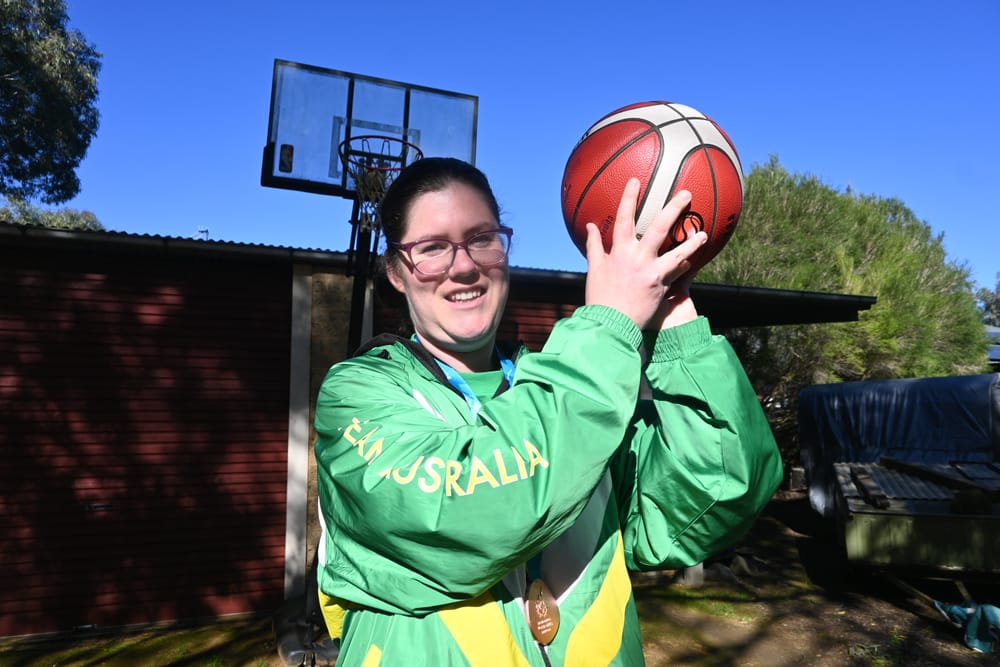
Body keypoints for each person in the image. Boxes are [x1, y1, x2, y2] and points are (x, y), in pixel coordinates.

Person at [313, 157, 783, 665]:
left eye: (482, 238)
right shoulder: (358, 393)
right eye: (431, 249)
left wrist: (673, 312)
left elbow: (720, 489)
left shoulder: (572, 388)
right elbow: (458, 513)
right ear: (397, 274)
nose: (465, 265)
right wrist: (609, 325)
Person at [935, 598, 999, 654]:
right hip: (990, 630)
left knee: (985, 609)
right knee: (970, 603)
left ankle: (976, 640)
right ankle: (957, 616)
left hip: (987, 638)